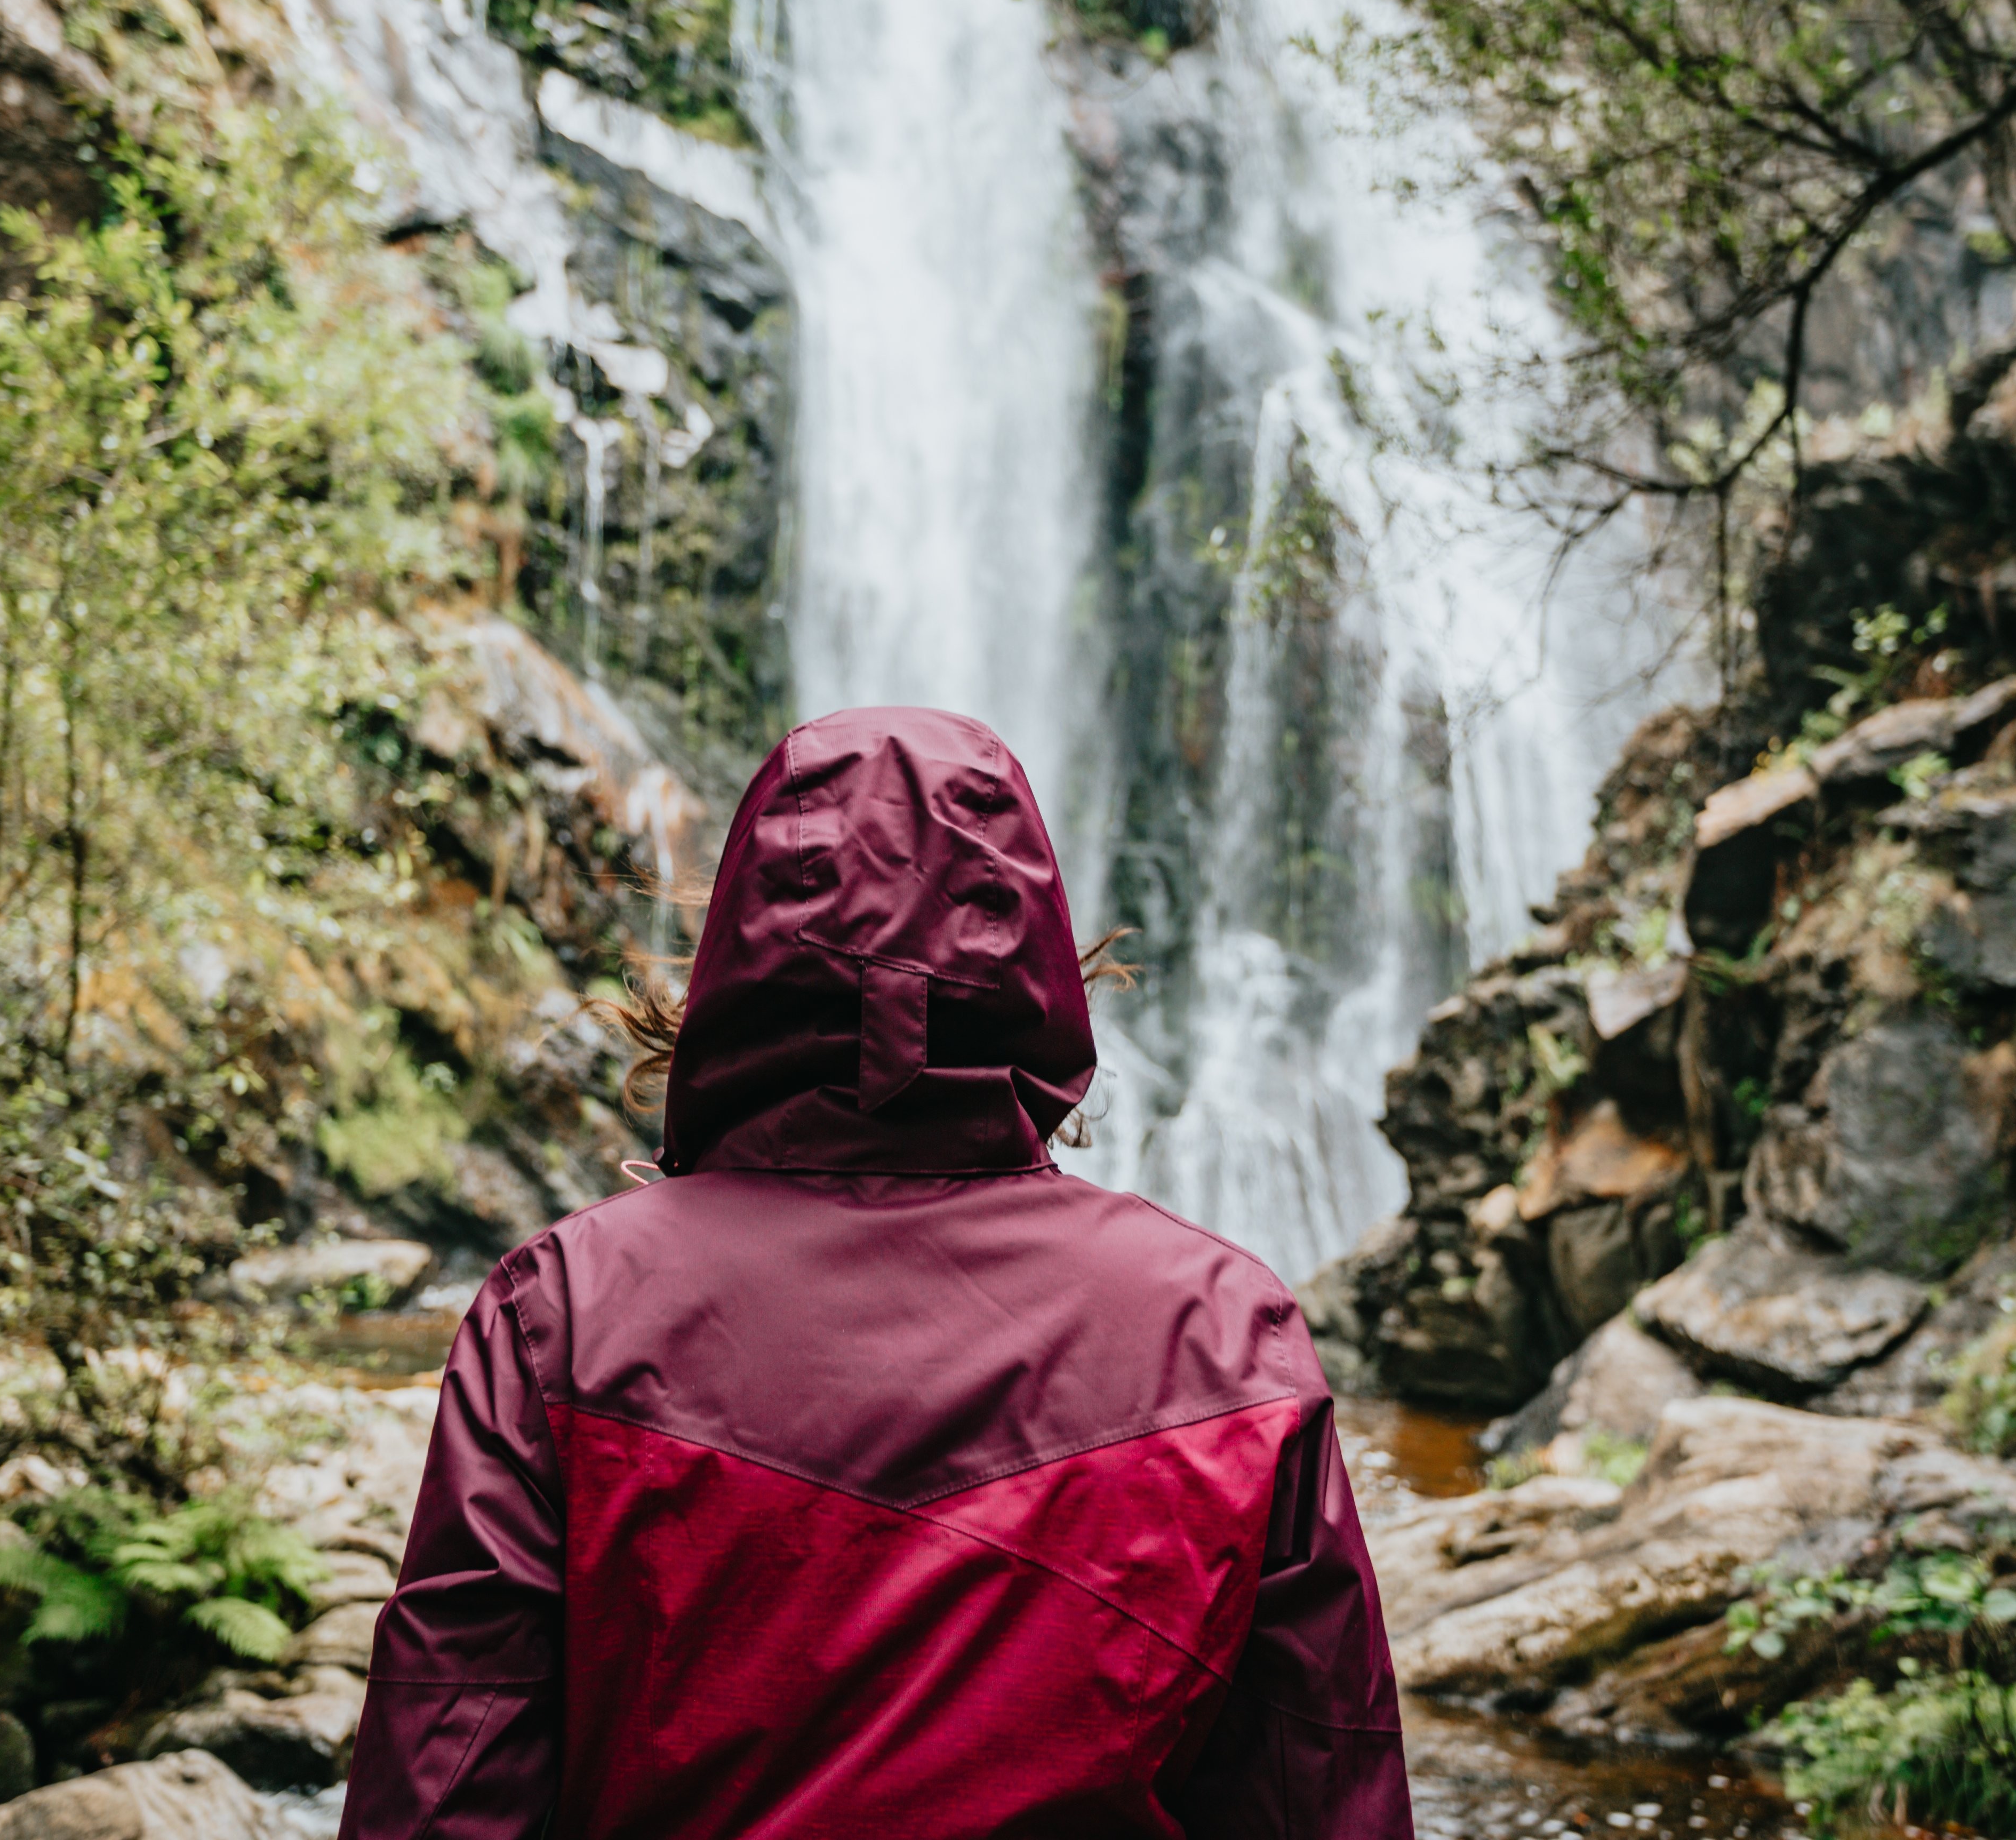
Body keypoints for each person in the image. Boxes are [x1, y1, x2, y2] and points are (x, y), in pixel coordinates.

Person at [337, 706, 1412, 1839]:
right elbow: (1321, 1788)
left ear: (737, 955)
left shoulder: (562, 1313)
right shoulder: (1227, 1331)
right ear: (1039, 965)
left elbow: (446, 1782)